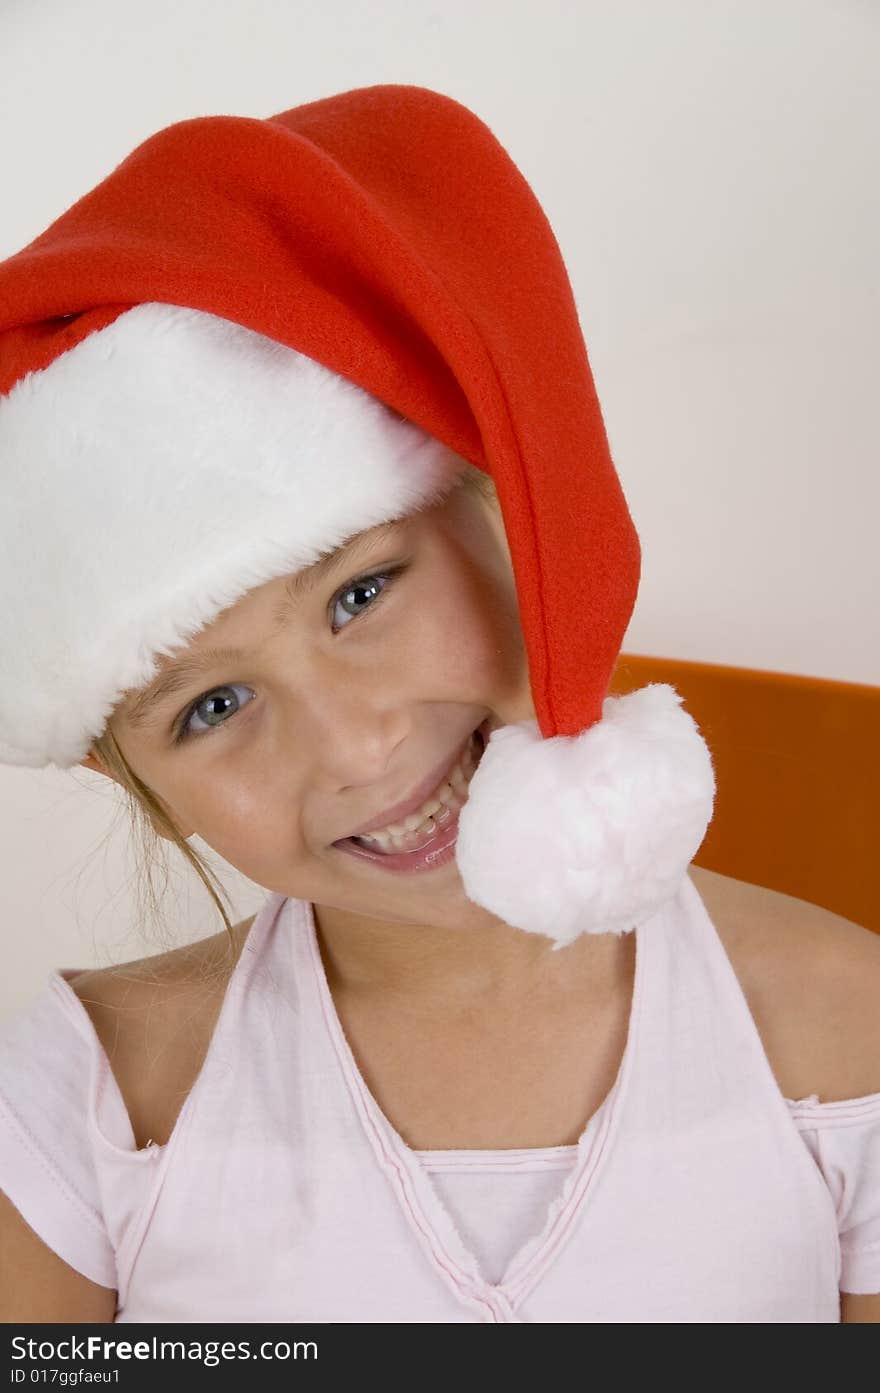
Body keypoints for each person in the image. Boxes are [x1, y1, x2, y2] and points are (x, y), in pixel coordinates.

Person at [0, 84, 877, 1324]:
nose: (358, 744)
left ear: (504, 511)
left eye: (361, 593)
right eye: (211, 706)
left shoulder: (848, 1037)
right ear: (134, 781)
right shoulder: (87, 1107)